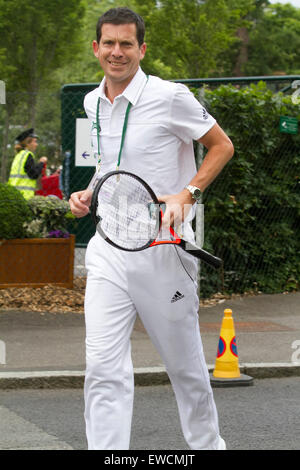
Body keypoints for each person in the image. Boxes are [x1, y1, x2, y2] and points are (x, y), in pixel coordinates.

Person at [69, 7, 234, 450]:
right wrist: (88, 193)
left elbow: (221, 146)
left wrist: (189, 194)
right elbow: (110, 164)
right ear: (96, 48)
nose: (116, 52)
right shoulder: (91, 102)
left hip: (164, 250)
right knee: (103, 366)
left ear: (141, 49)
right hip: (108, 248)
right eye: (109, 43)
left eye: (126, 44)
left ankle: (207, 446)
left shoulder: (171, 96)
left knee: (184, 368)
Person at [8, 128, 47, 200]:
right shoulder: (28, 155)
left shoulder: (18, 155)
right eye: (35, 142)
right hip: (24, 196)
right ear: (28, 143)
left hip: (14, 194)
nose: (36, 144)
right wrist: (41, 163)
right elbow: (33, 174)